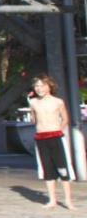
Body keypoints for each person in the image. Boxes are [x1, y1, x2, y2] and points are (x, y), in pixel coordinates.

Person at [29, 74, 76, 210]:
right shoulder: (33, 102)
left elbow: (65, 119)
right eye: (36, 86)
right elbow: (33, 120)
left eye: (42, 85)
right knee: (47, 168)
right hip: (41, 136)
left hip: (55, 135)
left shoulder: (58, 101)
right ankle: (52, 200)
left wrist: (59, 130)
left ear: (49, 86)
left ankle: (68, 200)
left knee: (63, 168)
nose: (39, 88)